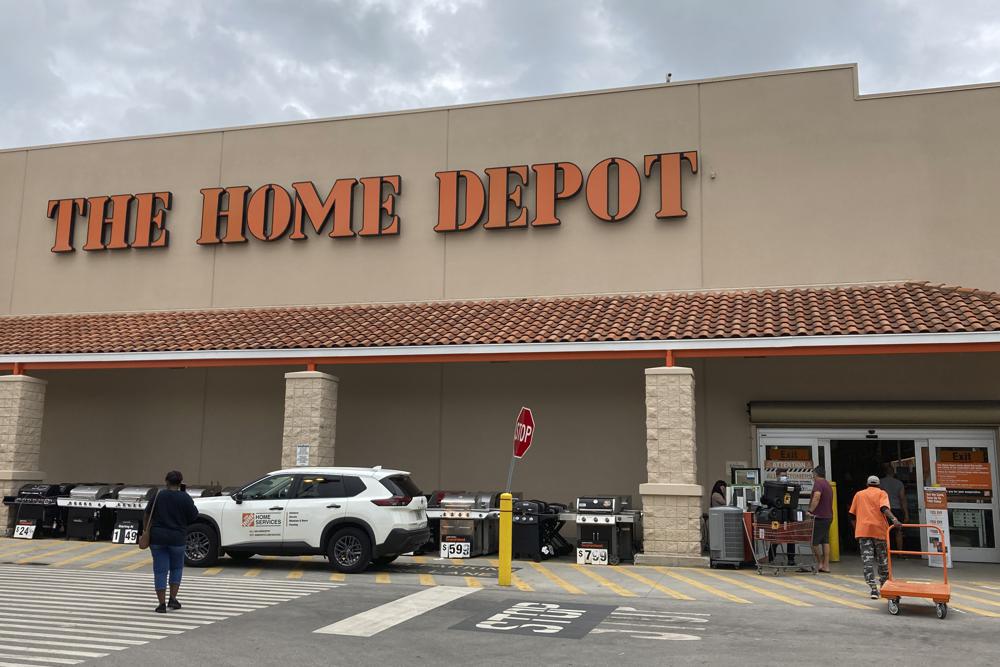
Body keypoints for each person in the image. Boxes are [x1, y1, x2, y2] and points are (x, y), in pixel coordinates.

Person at [146, 470, 199, 613]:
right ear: (180, 482)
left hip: (157, 538)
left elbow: (147, 514)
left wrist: (146, 531)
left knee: (160, 571)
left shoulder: (158, 495)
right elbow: (194, 516)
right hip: (177, 538)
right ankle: (173, 599)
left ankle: (161, 604)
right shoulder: (185, 497)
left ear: (166, 481)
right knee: (176, 569)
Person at [849, 475, 901, 599]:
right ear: (878, 485)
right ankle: (884, 586)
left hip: (863, 531)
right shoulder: (882, 493)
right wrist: (894, 519)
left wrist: (858, 527)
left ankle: (873, 589)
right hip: (879, 531)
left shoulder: (859, 494)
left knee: (867, 561)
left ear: (867, 484)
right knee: (882, 559)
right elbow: (883, 508)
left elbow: (851, 515)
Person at [807, 465, 834, 573]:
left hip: (820, 517)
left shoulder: (818, 483)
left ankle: (820, 563)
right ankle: (826, 565)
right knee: (825, 541)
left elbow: (816, 497)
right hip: (828, 517)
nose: (812, 476)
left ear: (816, 474)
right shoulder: (827, 484)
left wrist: (810, 511)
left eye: (813, 474)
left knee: (814, 542)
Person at [879, 464, 908, 552]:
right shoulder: (899, 483)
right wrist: (906, 514)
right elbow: (902, 499)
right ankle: (900, 552)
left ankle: (884, 552)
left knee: (884, 532)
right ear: (893, 472)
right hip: (897, 509)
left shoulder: (880, 482)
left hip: (883, 509)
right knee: (898, 532)